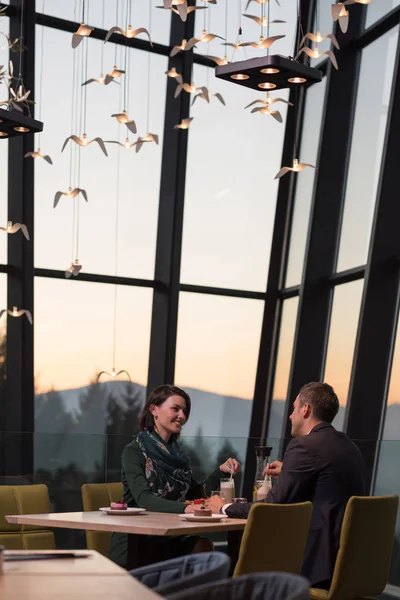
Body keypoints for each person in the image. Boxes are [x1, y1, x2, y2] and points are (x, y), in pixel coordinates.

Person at [206, 382, 367, 588]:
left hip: (315, 565)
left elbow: (272, 505)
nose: (290, 416)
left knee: (242, 567)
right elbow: (328, 481)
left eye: (293, 408)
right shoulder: (348, 445)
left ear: (305, 409)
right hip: (348, 563)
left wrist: (223, 506)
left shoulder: (304, 446)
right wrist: (289, 469)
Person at [109, 383, 241, 569]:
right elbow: (145, 500)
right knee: (201, 548)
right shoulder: (134, 452)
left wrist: (221, 471)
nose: (182, 416)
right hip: (137, 540)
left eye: (184, 411)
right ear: (154, 409)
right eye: (175, 409)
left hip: (169, 534)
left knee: (203, 545)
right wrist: (187, 509)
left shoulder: (177, 456)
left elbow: (194, 493)